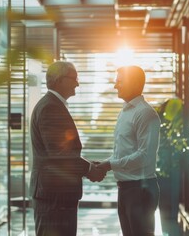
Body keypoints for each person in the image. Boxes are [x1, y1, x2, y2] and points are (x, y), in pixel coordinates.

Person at [29, 61, 106, 236]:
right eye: (74, 78)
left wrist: (88, 164)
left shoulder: (52, 105)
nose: (77, 83)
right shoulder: (51, 108)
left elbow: (61, 152)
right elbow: (60, 155)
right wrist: (89, 169)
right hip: (55, 197)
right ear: (59, 80)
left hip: (56, 196)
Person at [97, 65, 161, 236]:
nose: (115, 86)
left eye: (119, 81)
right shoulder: (125, 112)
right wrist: (104, 164)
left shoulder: (145, 113)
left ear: (132, 83)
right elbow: (123, 152)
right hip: (126, 188)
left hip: (140, 190)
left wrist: (109, 165)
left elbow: (144, 156)